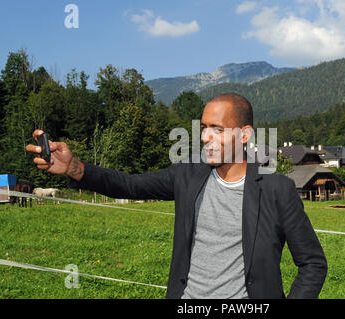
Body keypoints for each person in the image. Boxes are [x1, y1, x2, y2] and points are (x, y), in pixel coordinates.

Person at [26, 93, 327, 299]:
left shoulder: (276, 189)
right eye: (204, 127)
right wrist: (75, 167)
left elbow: (313, 263)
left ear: (244, 135)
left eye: (217, 129)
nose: (206, 136)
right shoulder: (188, 174)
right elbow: (130, 186)